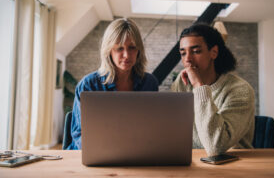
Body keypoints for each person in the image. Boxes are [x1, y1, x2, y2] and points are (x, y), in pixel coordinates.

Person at [67, 18, 159, 150]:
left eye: (132, 47)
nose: (126, 55)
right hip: (95, 153)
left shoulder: (150, 83)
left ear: (139, 50)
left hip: (136, 151)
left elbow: (152, 129)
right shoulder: (88, 85)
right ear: (109, 51)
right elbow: (79, 134)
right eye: (119, 48)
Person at [171, 23, 255, 156]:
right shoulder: (181, 84)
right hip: (192, 160)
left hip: (234, 163)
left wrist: (199, 87)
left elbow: (215, 146)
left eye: (196, 51)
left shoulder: (241, 90)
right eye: (183, 53)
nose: (187, 59)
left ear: (214, 52)